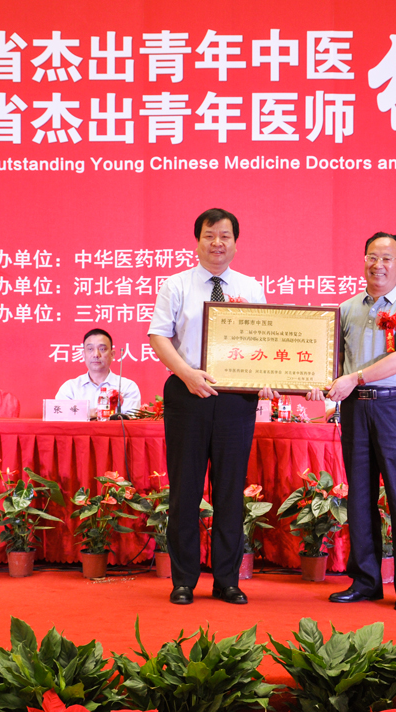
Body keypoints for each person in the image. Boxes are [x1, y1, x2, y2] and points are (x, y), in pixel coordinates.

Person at [147, 208, 277, 605]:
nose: (217, 243)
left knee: (230, 492)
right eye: (209, 235)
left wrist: (267, 377)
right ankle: (183, 580)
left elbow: (264, 342)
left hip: (236, 399)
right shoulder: (176, 285)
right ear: (197, 241)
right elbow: (159, 336)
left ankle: (227, 580)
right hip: (187, 393)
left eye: (225, 236)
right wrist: (187, 373)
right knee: (185, 490)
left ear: (236, 243)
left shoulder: (250, 288)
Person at [308, 231, 396, 612]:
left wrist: (355, 378)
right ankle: (365, 581)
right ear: (363, 260)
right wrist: (314, 383)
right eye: (372, 257)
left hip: (395, 408)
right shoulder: (347, 309)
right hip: (355, 410)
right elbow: (331, 363)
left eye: (387, 258)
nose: (378, 265)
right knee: (359, 497)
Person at [54, 328, 141, 417]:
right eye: (90, 349)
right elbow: (59, 416)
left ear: (112, 354)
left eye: (102, 349)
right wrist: (90, 413)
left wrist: (86, 413)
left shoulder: (127, 387)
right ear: (83, 354)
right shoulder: (70, 388)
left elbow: (129, 419)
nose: (96, 354)